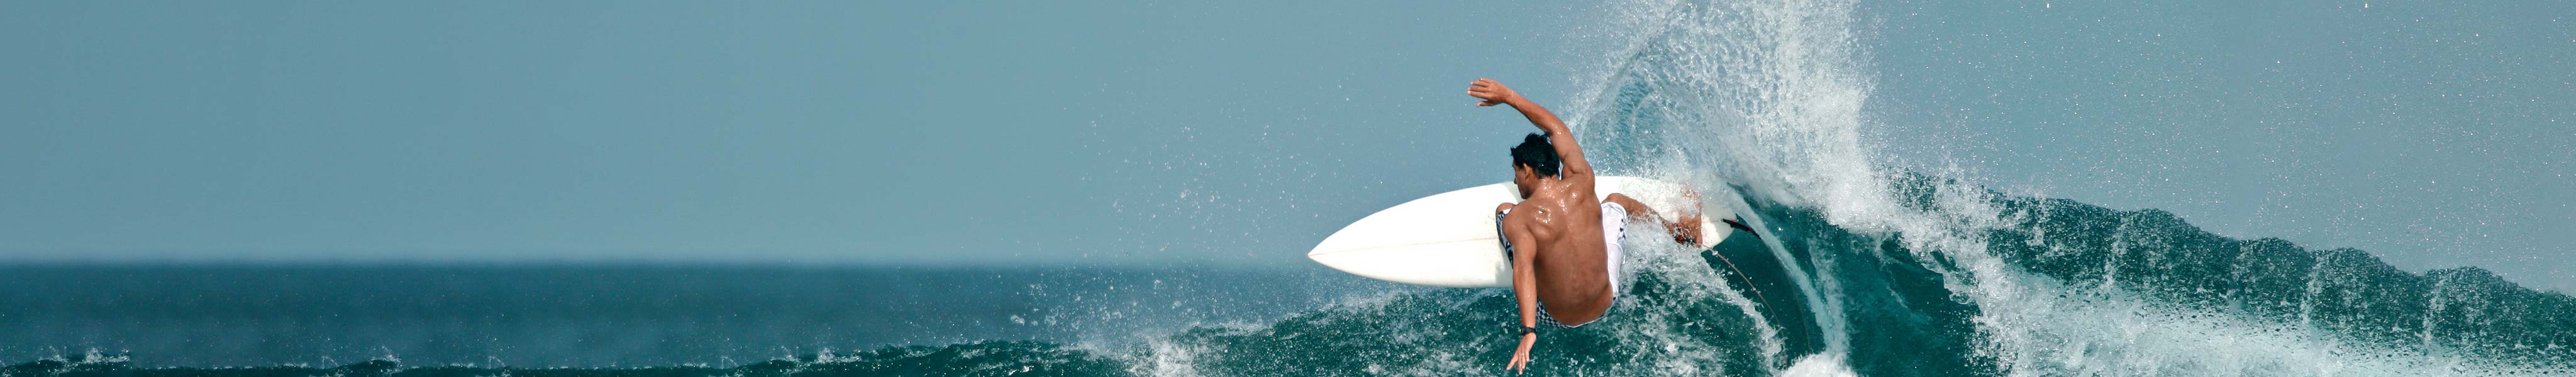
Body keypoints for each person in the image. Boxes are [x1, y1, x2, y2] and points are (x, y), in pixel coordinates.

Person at [1470, 78, 1704, 374]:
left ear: (1527, 170)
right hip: (1608, 296)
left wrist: (1528, 331)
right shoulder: (1582, 179)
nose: (1515, 181)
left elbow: (1524, 271)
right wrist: (1509, 97)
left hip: (1555, 316)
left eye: (1516, 173)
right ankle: (1678, 232)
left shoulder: (1521, 218)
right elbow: (1556, 129)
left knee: (1504, 211)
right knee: (1617, 201)